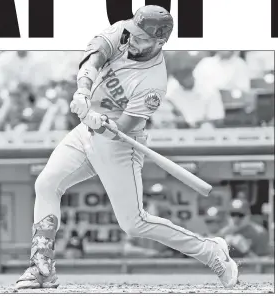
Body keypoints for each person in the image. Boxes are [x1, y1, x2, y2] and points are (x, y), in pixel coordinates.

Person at [15, 6, 238, 290]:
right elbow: (93, 58)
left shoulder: (153, 82)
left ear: (159, 42)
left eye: (142, 37)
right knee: (46, 184)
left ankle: (211, 251)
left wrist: (103, 123)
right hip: (85, 132)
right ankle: (42, 267)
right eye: (134, 32)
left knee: (134, 223)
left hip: (119, 143)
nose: (133, 39)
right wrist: (83, 90)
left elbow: (128, 126)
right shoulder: (123, 31)